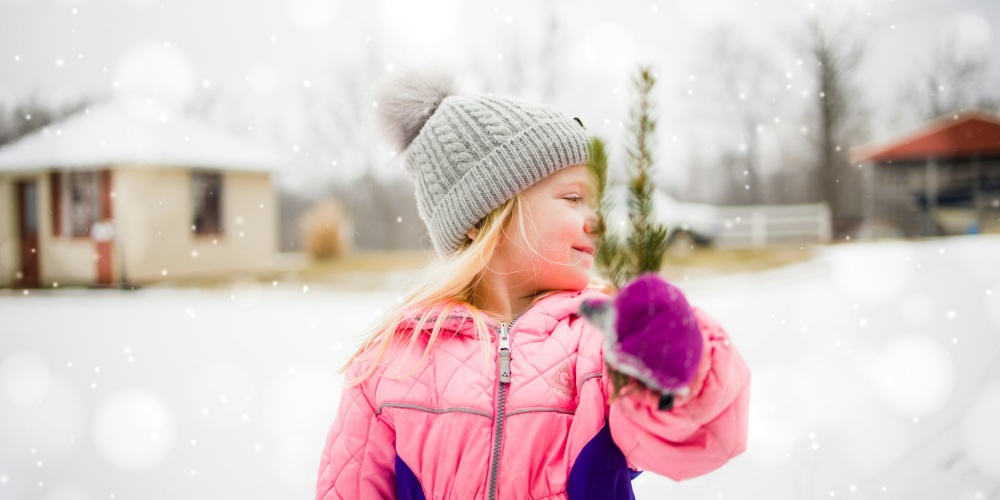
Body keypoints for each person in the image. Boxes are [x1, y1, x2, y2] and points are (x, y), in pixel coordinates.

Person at [316, 68, 750, 500]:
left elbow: (702, 433)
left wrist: (679, 356)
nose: (597, 219)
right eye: (574, 198)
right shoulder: (394, 364)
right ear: (485, 216)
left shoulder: (600, 346)